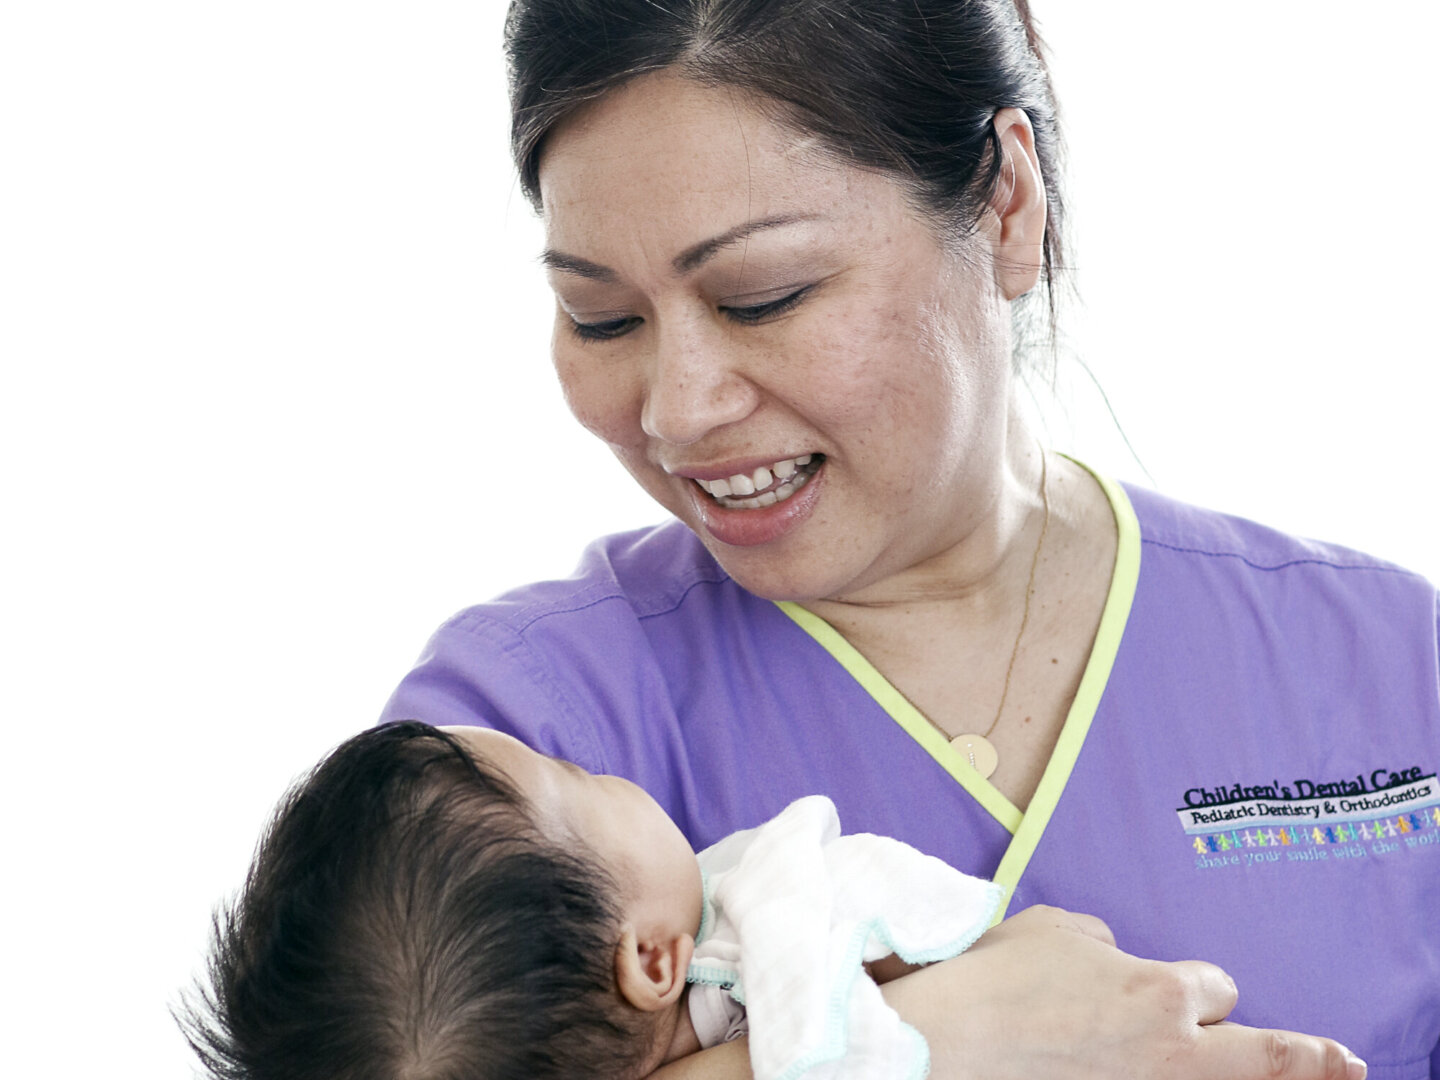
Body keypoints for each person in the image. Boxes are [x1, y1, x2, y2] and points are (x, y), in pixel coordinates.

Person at [380, 0, 1440, 1076]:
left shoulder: (1393, 669)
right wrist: (940, 1048)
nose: (677, 410)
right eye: (602, 317)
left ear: (1008, 206)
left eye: (764, 296)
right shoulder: (518, 739)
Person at [181, 721, 1000, 1080]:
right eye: (580, 779)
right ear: (651, 958)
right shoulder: (776, 923)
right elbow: (948, 948)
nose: (610, 774)